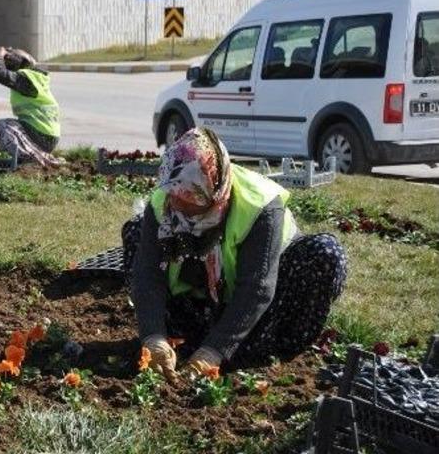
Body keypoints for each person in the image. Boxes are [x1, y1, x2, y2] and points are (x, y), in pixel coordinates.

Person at [124, 127, 347, 382]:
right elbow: (148, 272)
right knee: (136, 231)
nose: (176, 205)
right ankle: (181, 341)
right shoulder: (165, 199)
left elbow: (257, 289)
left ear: (213, 193)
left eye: (190, 202)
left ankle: (261, 350)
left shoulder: (260, 206)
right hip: (201, 303)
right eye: (174, 197)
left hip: (261, 308)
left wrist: (213, 352)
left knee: (326, 254)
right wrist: (153, 336)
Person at [0, 46, 61, 167]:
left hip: (42, 135)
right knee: (10, 126)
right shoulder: (35, 78)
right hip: (46, 135)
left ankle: (32, 159)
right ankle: (36, 153)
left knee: (4, 126)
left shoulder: (26, 78)